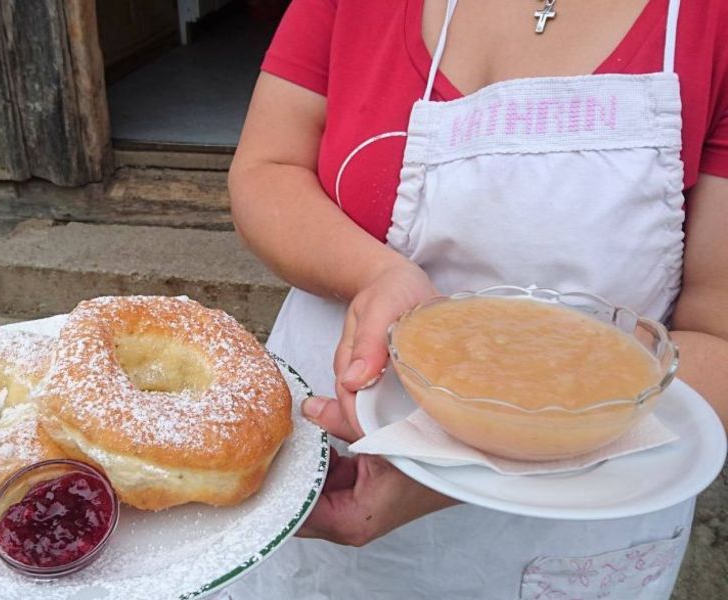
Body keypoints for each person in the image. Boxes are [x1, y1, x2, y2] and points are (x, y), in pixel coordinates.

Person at [226, 0, 728, 597]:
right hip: (332, 456)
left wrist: (462, 472)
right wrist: (378, 274)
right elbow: (268, 167)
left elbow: (716, 332)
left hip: (574, 515)